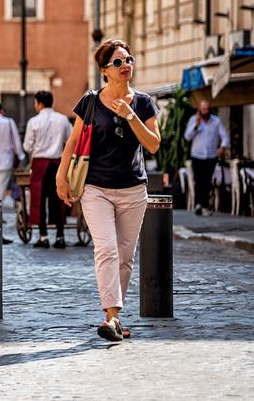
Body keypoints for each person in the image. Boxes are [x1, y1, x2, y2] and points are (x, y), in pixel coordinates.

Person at [57, 39, 161, 342]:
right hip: (95, 187)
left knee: (125, 257)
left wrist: (130, 115)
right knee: (107, 249)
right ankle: (113, 315)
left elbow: (153, 144)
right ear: (104, 70)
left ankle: (112, 318)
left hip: (132, 189)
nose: (125, 65)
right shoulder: (90, 102)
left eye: (128, 59)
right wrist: (61, 177)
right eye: (118, 62)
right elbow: (73, 142)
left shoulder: (142, 103)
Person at [23, 91, 72, 249]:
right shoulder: (63, 119)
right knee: (59, 200)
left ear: (39, 103)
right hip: (57, 164)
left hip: (39, 164)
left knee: (39, 200)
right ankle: (60, 236)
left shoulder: (33, 121)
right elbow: (70, 140)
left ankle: (43, 237)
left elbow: (27, 146)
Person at [0, 103, 24, 242]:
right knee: (0, 188)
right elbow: (16, 140)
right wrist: (20, 155)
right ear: (2, 110)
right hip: (5, 159)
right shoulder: (8, 122)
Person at [184, 100, 229, 216]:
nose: (206, 112)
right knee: (199, 181)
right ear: (200, 110)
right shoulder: (194, 120)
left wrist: (222, 148)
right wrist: (196, 124)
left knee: (207, 182)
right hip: (197, 156)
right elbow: (187, 137)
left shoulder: (216, 121)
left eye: (208, 109)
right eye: (204, 110)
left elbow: (225, 136)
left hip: (211, 156)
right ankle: (199, 205)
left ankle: (203, 205)